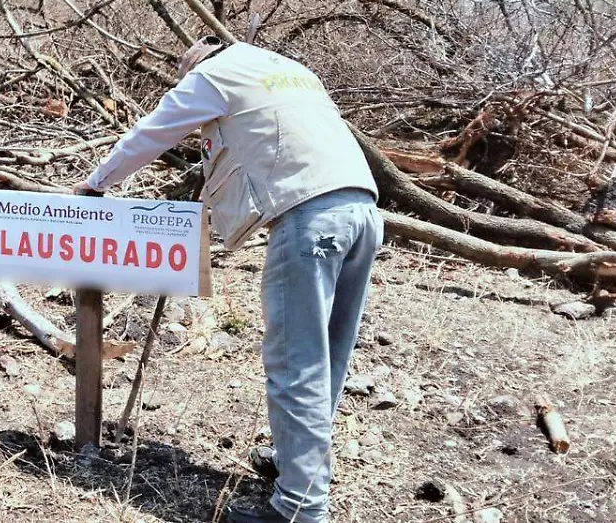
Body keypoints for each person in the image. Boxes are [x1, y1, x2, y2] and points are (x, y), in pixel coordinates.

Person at [72, 35, 383, 523]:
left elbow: (154, 132)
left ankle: (300, 508)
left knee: (295, 360)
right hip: (362, 211)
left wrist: (97, 181)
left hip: (306, 219)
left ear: (196, 66)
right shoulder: (286, 70)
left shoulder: (214, 75)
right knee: (328, 352)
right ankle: (295, 466)